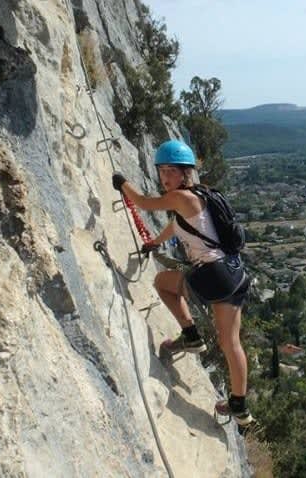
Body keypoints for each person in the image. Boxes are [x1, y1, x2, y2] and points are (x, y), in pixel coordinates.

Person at [112, 139, 253, 426]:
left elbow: (144, 203)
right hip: (234, 273)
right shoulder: (196, 196)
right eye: (162, 171)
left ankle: (191, 336)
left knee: (162, 283)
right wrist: (155, 242)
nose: (165, 177)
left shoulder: (180, 198)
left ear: (185, 172)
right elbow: (178, 225)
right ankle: (239, 406)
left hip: (213, 274)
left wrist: (122, 183)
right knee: (230, 342)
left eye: (171, 171)